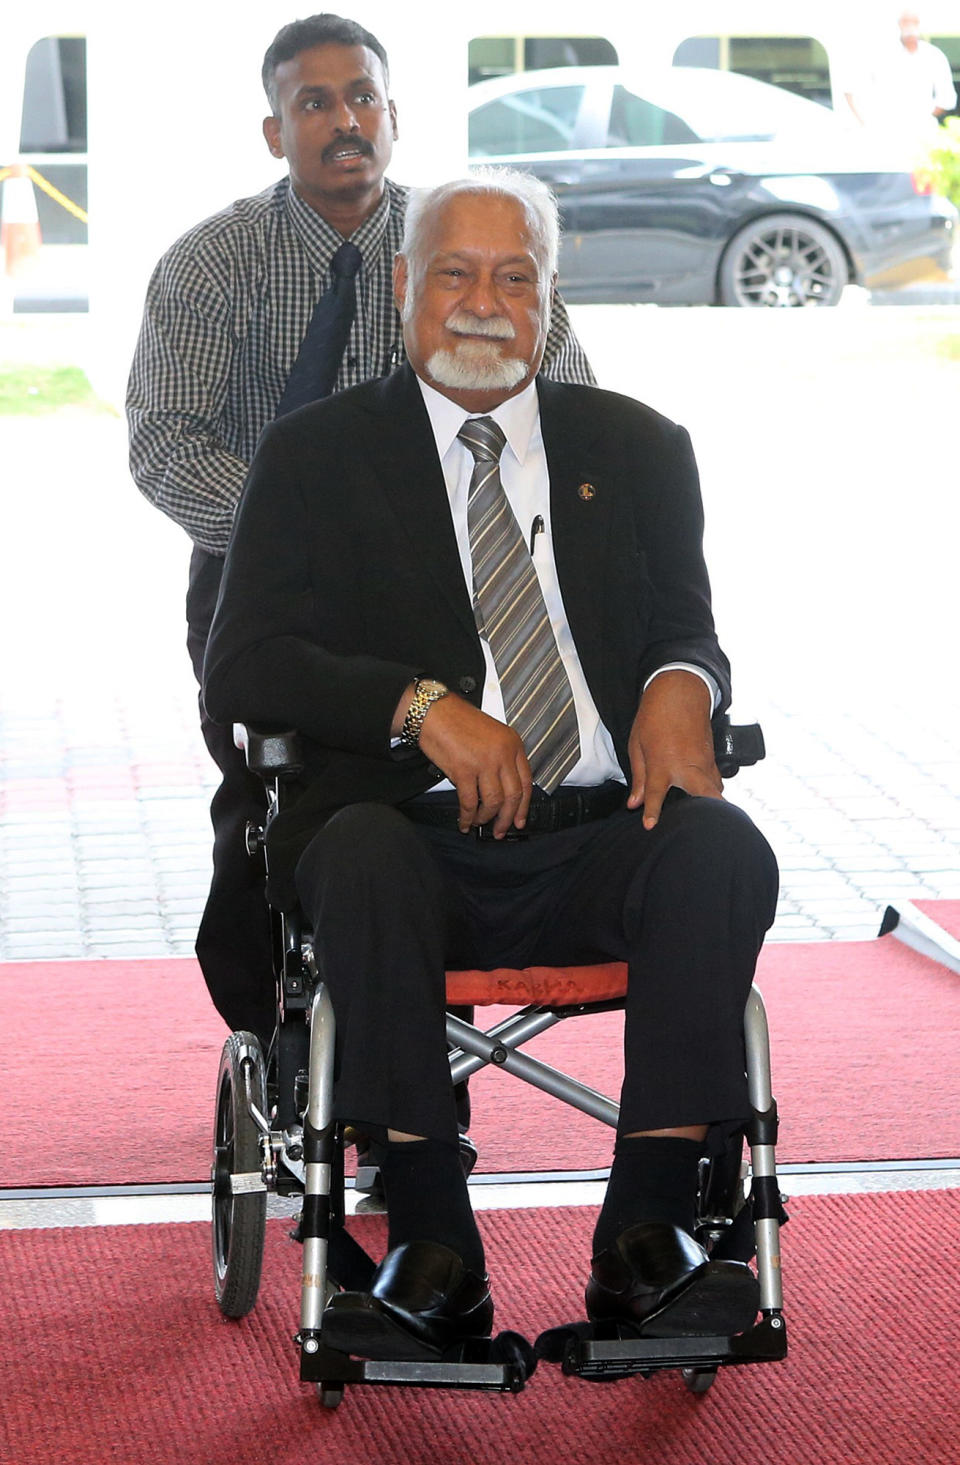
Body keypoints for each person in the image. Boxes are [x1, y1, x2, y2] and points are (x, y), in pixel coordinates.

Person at [203, 168, 779, 1360]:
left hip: (595, 835)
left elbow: (687, 624)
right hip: (404, 839)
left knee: (722, 847)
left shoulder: (639, 445)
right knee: (354, 852)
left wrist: (685, 686)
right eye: (455, 273)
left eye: (514, 276)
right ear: (406, 285)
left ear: (548, 298)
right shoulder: (315, 456)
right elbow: (245, 668)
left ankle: (648, 1236)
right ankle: (433, 1246)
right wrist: (420, 708)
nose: (483, 302)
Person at [126, 13, 594, 1048]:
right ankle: (290, 1022)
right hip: (263, 594)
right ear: (273, 130)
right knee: (280, 800)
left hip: (466, 578)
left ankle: (395, 1026)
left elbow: (571, 419)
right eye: (315, 103)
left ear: (394, 114)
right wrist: (301, 538)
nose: (345, 122)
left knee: (434, 802)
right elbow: (166, 445)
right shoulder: (211, 266)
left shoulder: (471, 247)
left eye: (363, 98)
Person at [844, 11, 957, 138]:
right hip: (884, 131)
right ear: (898, 24)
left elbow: (947, 98)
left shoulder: (934, 56)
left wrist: (922, 117)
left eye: (914, 22)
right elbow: (851, 89)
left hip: (923, 132)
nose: (910, 26)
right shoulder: (880, 54)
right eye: (905, 21)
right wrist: (865, 123)